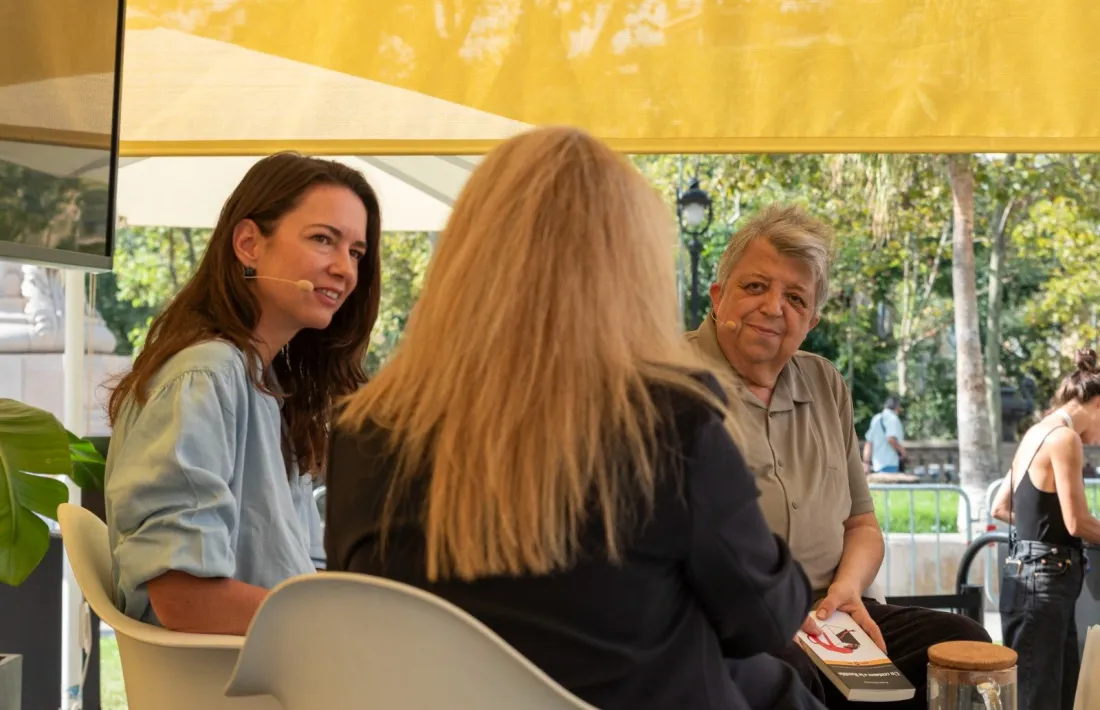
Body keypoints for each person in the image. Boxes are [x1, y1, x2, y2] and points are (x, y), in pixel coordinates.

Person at [325, 127, 825, 710]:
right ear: (630, 271)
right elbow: (766, 618)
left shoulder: (363, 431)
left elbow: (364, 614)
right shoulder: (670, 425)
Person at [686, 204, 990, 709]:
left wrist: (846, 593)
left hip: (833, 615)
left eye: (795, 297)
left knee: (963, 645)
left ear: (810, 320)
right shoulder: (669, 383)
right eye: (755, 287)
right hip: (733, 621)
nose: (773, 307)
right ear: (719, 297)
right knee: (788, 674)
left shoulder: (825, 382)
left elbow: (862, 526)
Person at [103, 152, 381, 635]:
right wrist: (346, 629)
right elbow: (184, 597)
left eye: (355, 252)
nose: (345, 269)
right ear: (249, 244)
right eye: (323, 240)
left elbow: (291, 569)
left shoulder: (261, 381)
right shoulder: (206, 373)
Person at [991, 349, 1100, 710]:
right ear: (1097, 404)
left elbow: (1001, 507)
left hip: (1027, 577)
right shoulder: (1065, 439)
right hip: (1047, 582)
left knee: (1039, 693)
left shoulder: (1035, 433)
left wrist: (1037, 532)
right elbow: (1077, 522)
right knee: (1043, 697)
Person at [863, 396, 907, 474]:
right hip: (890, 463)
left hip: (877, 465)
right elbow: (891, 439)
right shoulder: (893, 418)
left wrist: (866, 463)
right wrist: (902, 451)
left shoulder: (876, 418)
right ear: (897, 407)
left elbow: (869, 442)